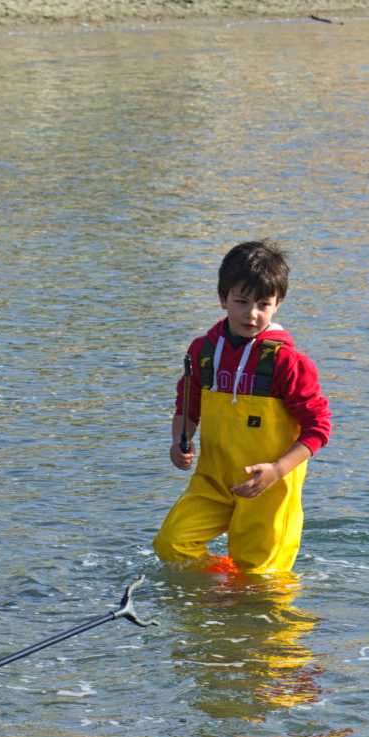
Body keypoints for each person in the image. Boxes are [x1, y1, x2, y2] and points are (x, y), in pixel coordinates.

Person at [152, 240, 332, 575]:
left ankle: (248, 601)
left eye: (264, 304)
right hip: (214, 481)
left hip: (271, 489)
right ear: (223, 299)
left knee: (262, 581)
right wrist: (180, 442)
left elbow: (318, 429)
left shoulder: (289, 363)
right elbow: (187, 408)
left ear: (278, 304)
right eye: (241, 301)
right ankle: (225, 583)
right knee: (171, 544)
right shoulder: (202, 352)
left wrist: (277, 470)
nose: (252, 313)